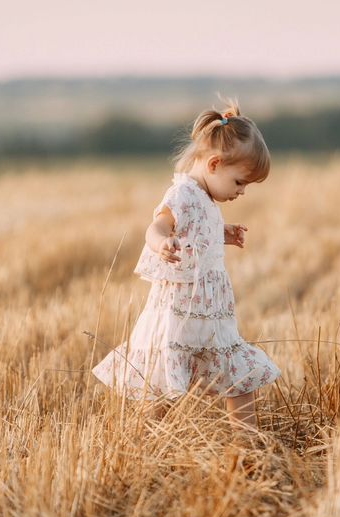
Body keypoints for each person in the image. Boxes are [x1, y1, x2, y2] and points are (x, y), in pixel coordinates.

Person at [92, 96, 282, 438]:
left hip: (211, 312)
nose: (242, 192)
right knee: (163, 384)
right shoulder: (182, 195)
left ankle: (246, 443)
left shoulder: (206, 196)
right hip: (180, 310)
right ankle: (151, 443)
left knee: (236, 374)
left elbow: (199, 231)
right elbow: (158, 227)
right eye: (239, 182)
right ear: (213, 164)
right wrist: (161, 244)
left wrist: (223, 233)